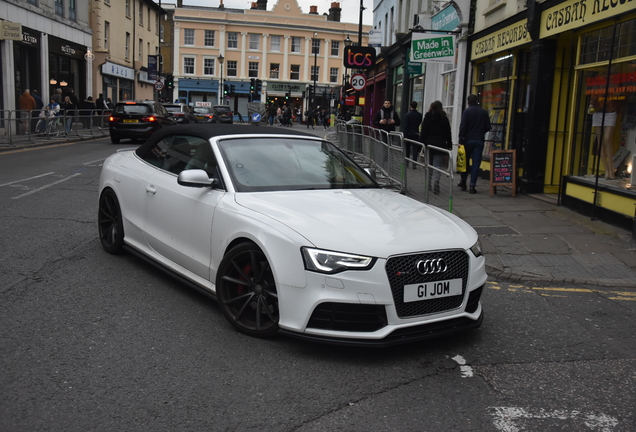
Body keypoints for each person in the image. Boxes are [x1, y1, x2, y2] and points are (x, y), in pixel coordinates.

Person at [458, 94, 491, 194]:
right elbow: (488, 127)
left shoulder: (466, 112)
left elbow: (463, 126)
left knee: (465, 162)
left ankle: (463, 182)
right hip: (479, 140)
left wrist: (461, 140)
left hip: (467, 140)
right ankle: (472, 185)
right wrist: (480, 132)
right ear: (477, 101)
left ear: (468, 102)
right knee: (476, 163)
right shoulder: (484, 112)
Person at [420, 101, 453, 194]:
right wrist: (449, 145)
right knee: (437, 165)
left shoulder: (427, 117)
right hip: (440, 144)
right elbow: (448, 133)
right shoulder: (444, 118)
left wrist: (420, 144)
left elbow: (423, 132)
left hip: (429, 144)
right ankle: (436, 182)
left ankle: (428, 183)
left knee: (428, 165)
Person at [589, 97, 617, 180]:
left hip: (611, 110)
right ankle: (607, 169)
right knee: (600, 140)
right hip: (598, 111)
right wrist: (591, 104)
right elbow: (594, 93)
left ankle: (611, 168)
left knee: (607, 138)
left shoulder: (614, 85)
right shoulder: (599, 85)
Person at [402, 101, 423, 169]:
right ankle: (414, 163)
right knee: (415, 149)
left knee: (407, 149)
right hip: (416, 133)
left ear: (410, 106)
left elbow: (406, 126)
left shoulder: (407, 115)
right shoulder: (419, 115)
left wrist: (405, 136)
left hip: (408, 134)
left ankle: (407, 162)